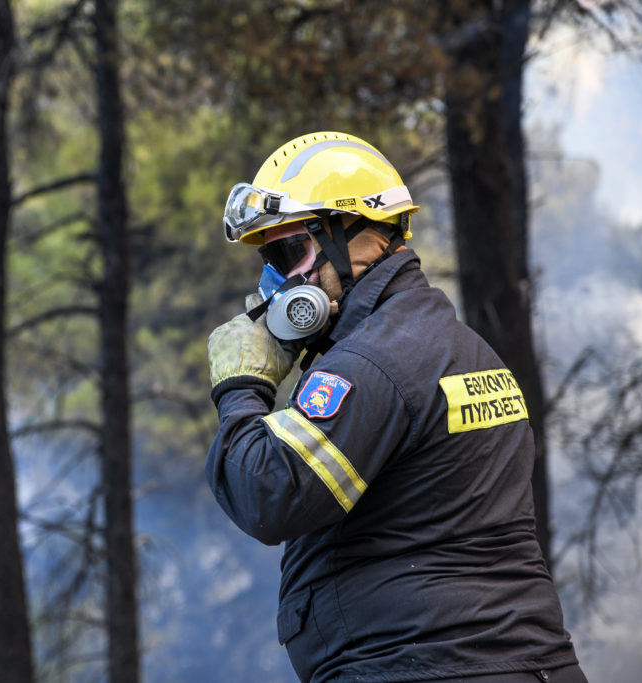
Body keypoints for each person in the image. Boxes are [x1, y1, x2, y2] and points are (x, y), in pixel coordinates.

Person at [205, 132, 586, 683]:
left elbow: (269, 494)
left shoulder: (375, 361)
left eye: (290, 253)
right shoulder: (458, 348)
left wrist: (240, 385)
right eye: (270, 260)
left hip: (428, 667)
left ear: (359, 237)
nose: (277, 283)